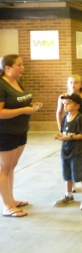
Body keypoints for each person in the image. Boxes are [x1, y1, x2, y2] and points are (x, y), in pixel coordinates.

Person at [0, 54, 42, 217]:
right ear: (7, 68)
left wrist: (31, 106)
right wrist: (24, 110)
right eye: (19, 65)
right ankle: (7, 206)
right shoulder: (1, 85)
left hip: (21, 130)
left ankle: (11, 199)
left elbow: (18, 102)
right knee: (4, 169)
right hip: (5, 133)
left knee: (11, 168)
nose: (22, 67)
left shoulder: (16, 81)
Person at [56, 75, 82, 192]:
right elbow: (59, 112)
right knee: (69, 153)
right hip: (68, 127)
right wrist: (60, 128)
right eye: (70, 82)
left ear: (81, 85)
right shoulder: (63, 97)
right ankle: (71, 181)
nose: (73, 85)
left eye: (76, 82)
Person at [53, 93, 82, 210]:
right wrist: (60, 135)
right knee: (67, 174)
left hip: (76, 151)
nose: (65, 106)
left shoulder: (80, 118)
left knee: (81, 174)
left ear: (77, 106)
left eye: (68, 103)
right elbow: (64, 132)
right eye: (64, 104)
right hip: (65, 151)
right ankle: (68, 195)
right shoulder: (65, 117)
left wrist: (69, 137)